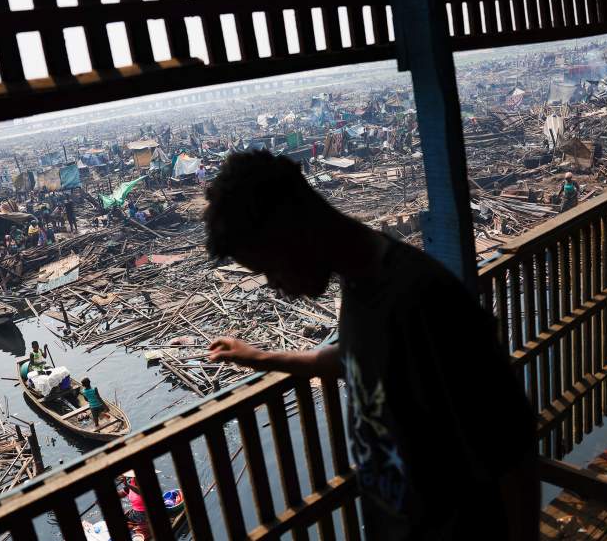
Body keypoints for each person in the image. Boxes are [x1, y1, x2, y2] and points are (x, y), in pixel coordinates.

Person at [204, 151, 537, 541]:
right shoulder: (361, 284)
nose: (274, 284)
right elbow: (354, 357)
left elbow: (512, 452)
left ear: (294, 226)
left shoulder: (423, 300)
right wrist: (260, 356)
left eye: (269, 267)